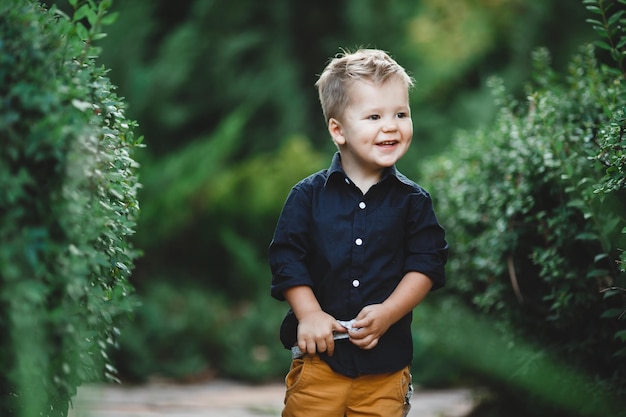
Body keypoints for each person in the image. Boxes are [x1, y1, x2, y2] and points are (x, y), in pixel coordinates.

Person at [268, 48, 448, 417]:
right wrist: (310, 314)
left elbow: (426, 264)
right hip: (320, 362)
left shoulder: (413, 202)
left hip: (386, 368)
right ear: (339, 130)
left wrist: (388, 312)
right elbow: (287, 258)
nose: (391, 125)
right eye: (374, 116)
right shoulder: (307, 197)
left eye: (401, 113)